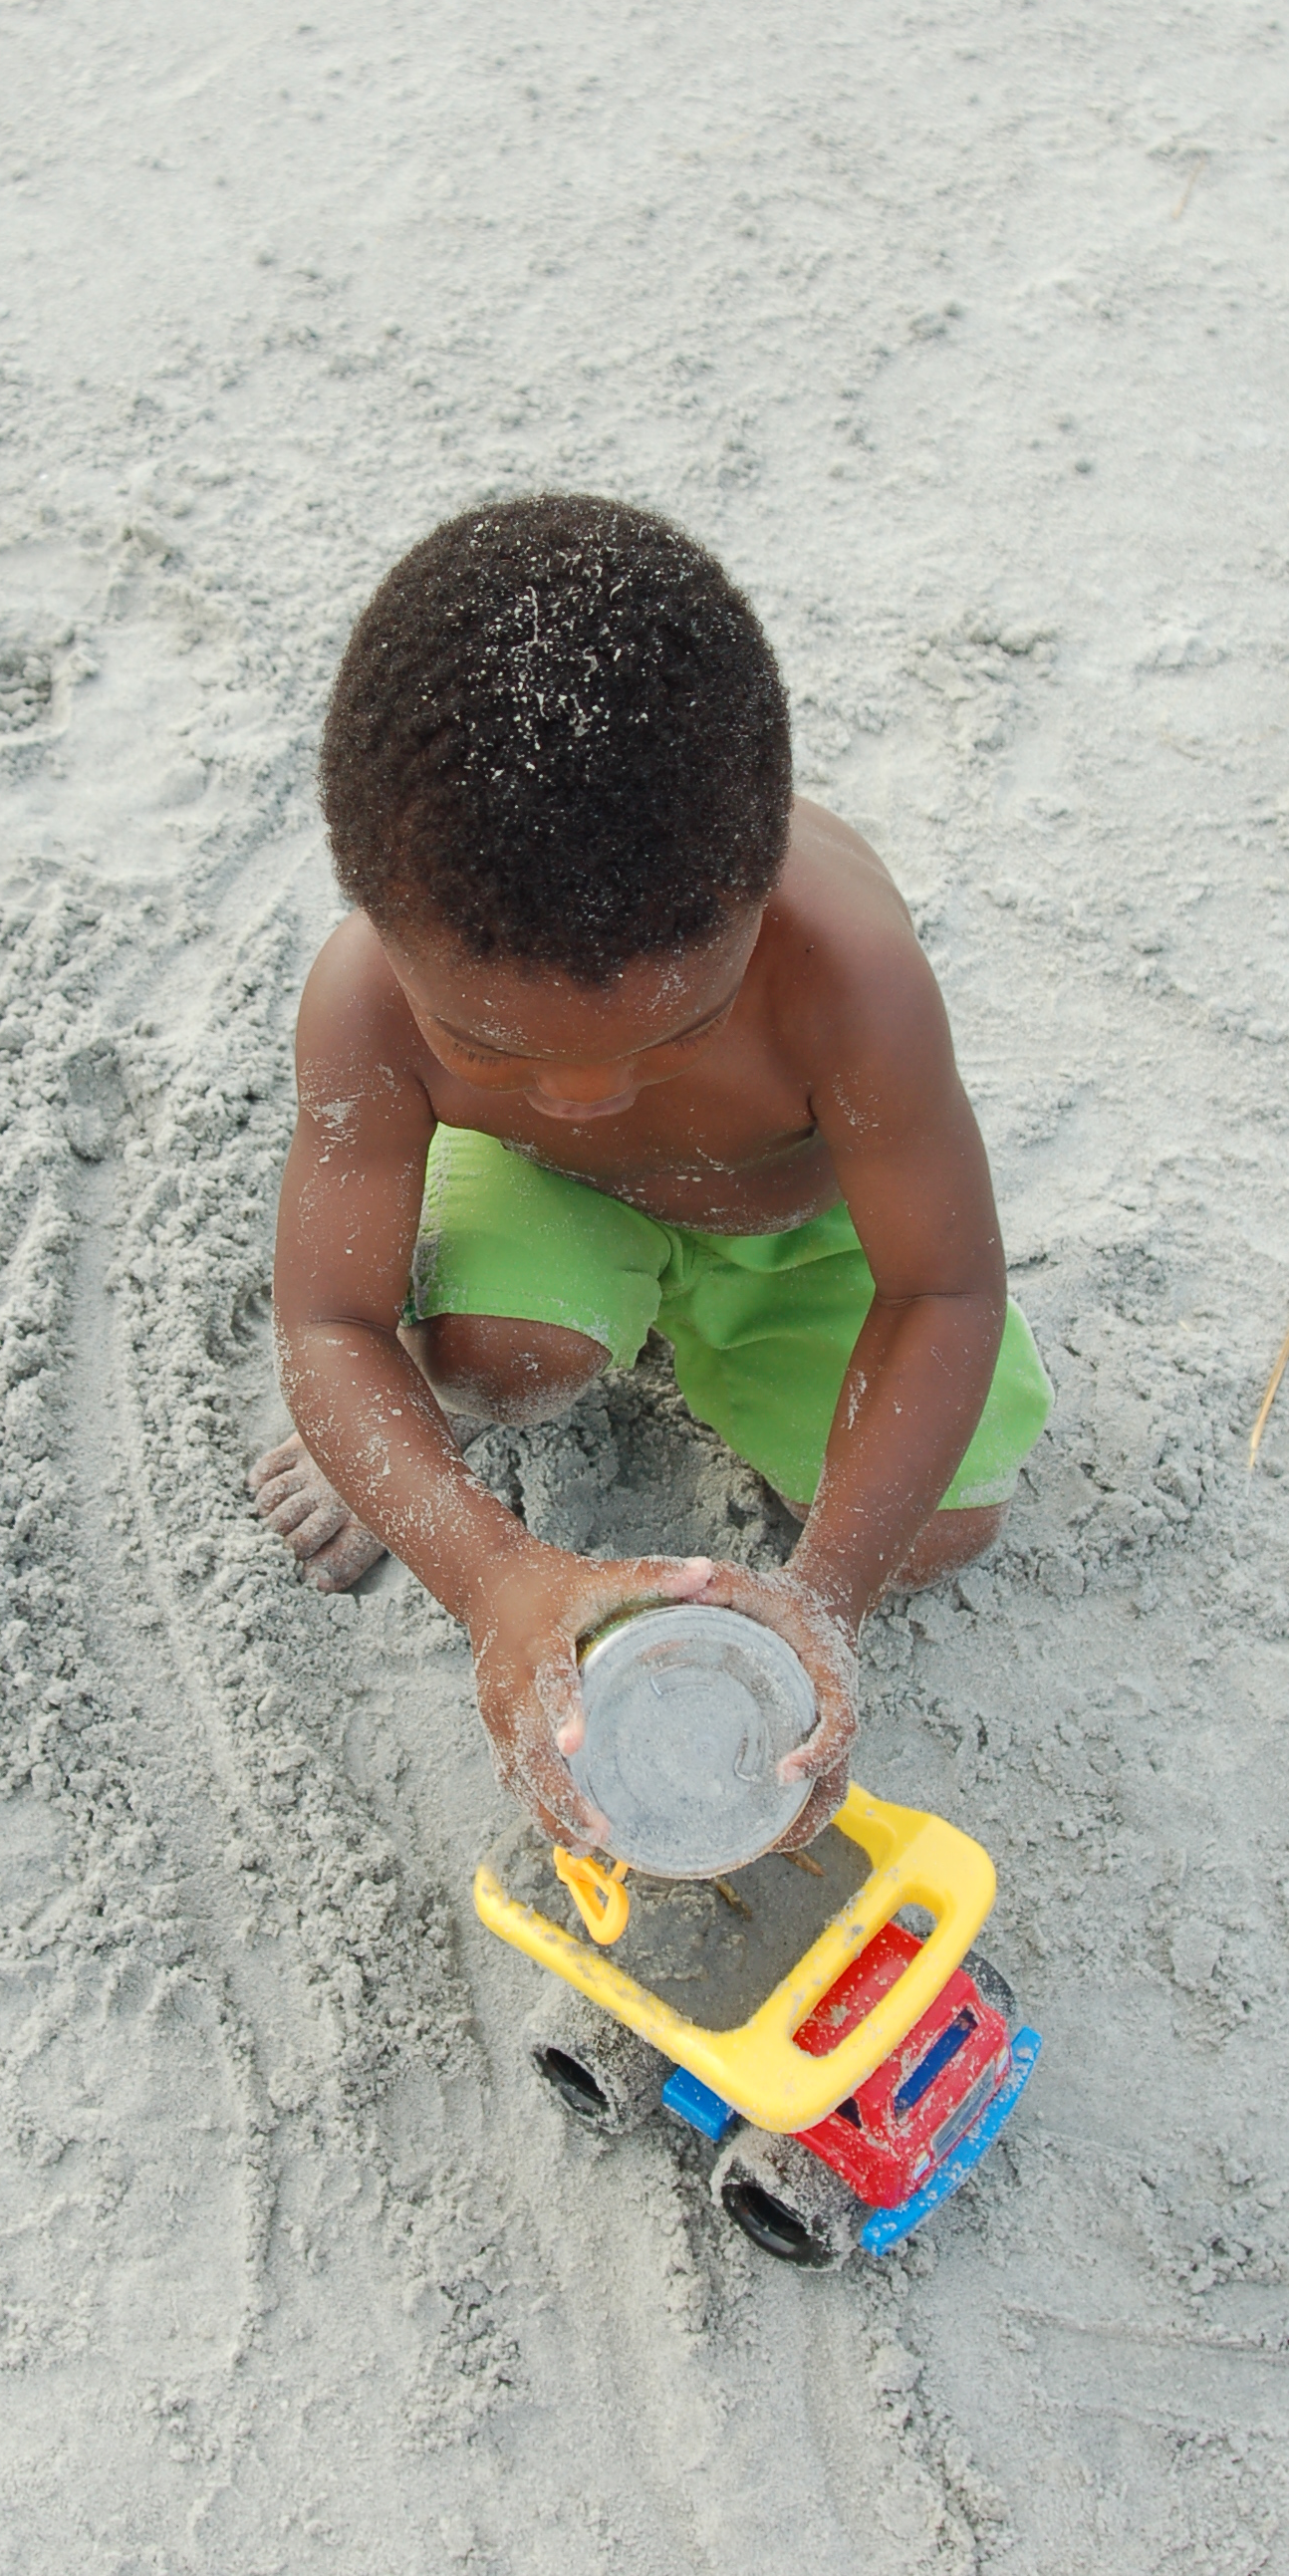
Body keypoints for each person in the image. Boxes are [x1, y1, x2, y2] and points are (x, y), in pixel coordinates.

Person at [249, 495, 1051, 1853]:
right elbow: (328, 1322)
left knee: (937, 1528)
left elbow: (943, 1289)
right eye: (495, 1049)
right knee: (499, 1359)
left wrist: (826, 1595)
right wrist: (491, 1577)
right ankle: (456, 1392)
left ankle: (687, 1342)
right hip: (553, 1196)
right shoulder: (365, 1003)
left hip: (792, 1226)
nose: (588, 1094)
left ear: (762, 889)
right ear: (381, 928)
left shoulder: (851, 982)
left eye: (680, 1032)